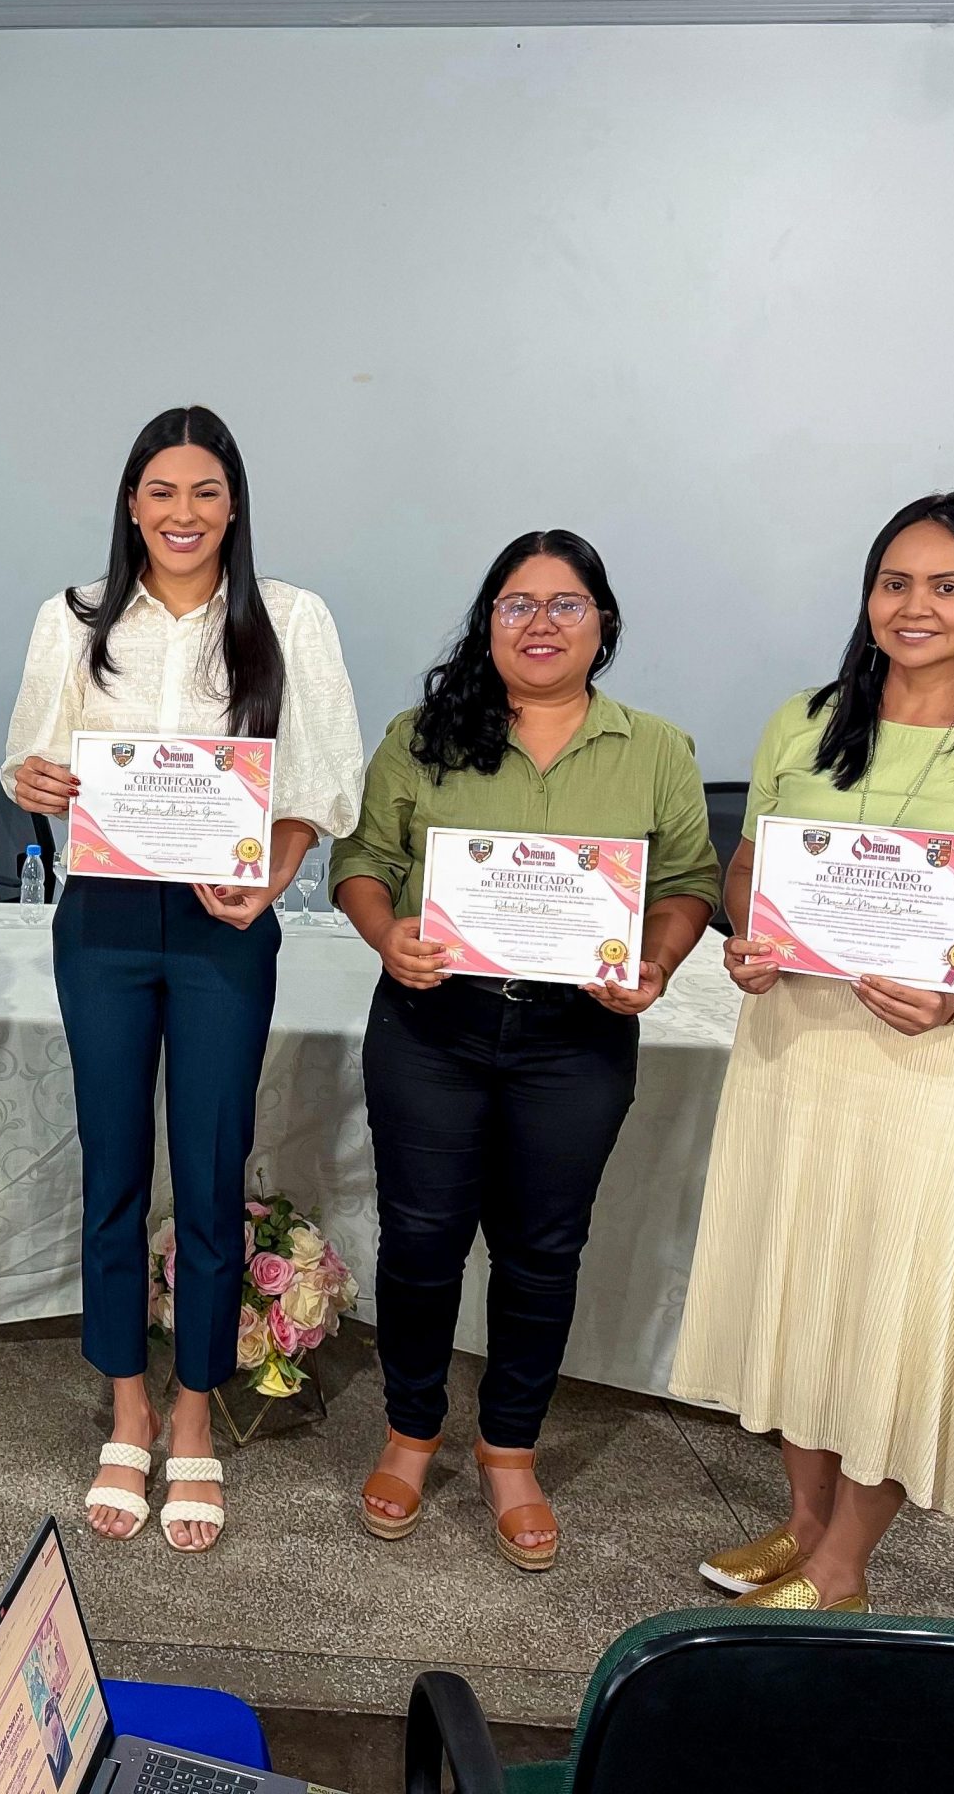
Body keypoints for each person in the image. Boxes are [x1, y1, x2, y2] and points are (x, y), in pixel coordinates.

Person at [671, 493, 954, 1610]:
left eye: (945, 585)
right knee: (799, 1294)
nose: (912, 606)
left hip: (935, 1078)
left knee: (893, 1311)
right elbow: (748, 866)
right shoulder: (809, 720)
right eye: (893, 581)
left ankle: (840, 1568)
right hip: (796, 1059)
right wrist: (749, 936)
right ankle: (801, 1523)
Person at [4, 405, 363, 1553]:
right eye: (161, 492)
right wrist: (42, 782)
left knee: (209, 1176)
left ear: (233, 506)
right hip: (102, 919)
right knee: (111, 1168)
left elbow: (321, 780)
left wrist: (277, 879)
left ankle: (195, 1417)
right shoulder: (70, 621)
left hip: (223, 921)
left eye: (205, 493)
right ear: (130, 505)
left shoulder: (288, 619)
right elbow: (25, 760)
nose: (182, 514)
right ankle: (125, 1406)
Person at [331, 532, 717, 1571]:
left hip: (576, 1034)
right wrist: (385, 935)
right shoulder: (423, 735)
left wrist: (660, 962)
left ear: (603, 624)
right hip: (433, 1026)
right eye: (515, 604)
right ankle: (411, 1433)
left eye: (565, 604)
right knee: (418, 1243)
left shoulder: (657, 750)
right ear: (485, 621)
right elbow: (361, 861)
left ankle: (507, 1451)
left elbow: (690, 880)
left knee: (543, 1252)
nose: (539, 624)